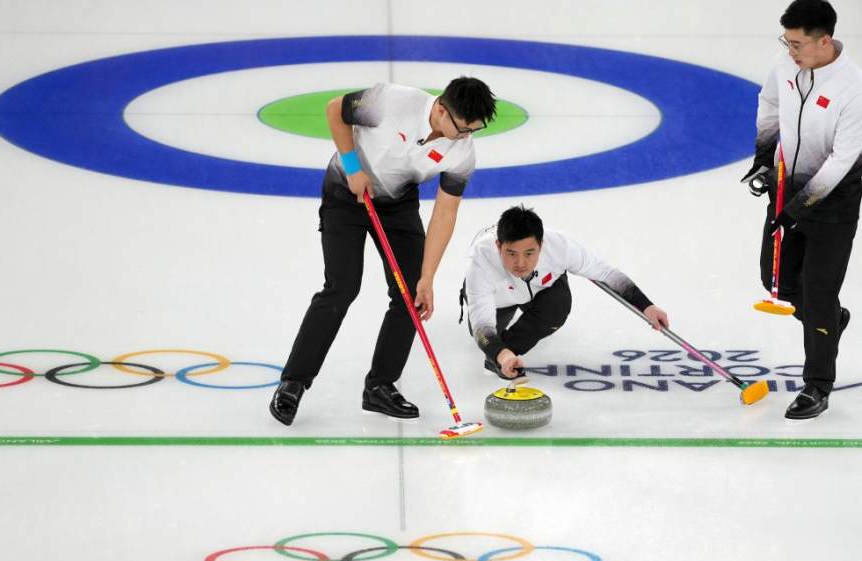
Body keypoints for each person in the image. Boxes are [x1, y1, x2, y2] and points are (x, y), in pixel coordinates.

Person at [270, 77, 497, 425]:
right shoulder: (392, 102)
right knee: (342, 287)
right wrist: (353, 169)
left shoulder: (462, 152)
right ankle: (293, 382)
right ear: (441, 110)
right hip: (346, 193)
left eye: (474, 130)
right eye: (463, 128)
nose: (467, 136)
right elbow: (335, 110)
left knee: (411, 294)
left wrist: (427, 276)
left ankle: (380, 386)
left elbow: (445, 212)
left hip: (397, 205)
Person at [741, 0, 862, 419]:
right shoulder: (785, 63)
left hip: (835, 200)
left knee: (818, 289)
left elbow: (842, 161)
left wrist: (798, 208)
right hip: (786, 186)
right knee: (777, 280)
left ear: (824, 41)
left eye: (797, 44)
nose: (789, 51)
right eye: (786, 42)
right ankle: (829, 319)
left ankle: (818, 385)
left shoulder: (853, 88)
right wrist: (763, 157)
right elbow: (770, 104)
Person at [462, 205, 668, 379]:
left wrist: (646, 306)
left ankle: (502, 356)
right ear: (498, 246)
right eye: (512, 253)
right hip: (499, 297)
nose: (521, 263)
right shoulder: (480, 262)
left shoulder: (560, 246)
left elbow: (608, 274)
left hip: (542, 287)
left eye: (529, 253)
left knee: (556, 307)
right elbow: (482, 327)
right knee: (485, 337)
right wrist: (498, 350)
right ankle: (502, 354)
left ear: (541, 245)